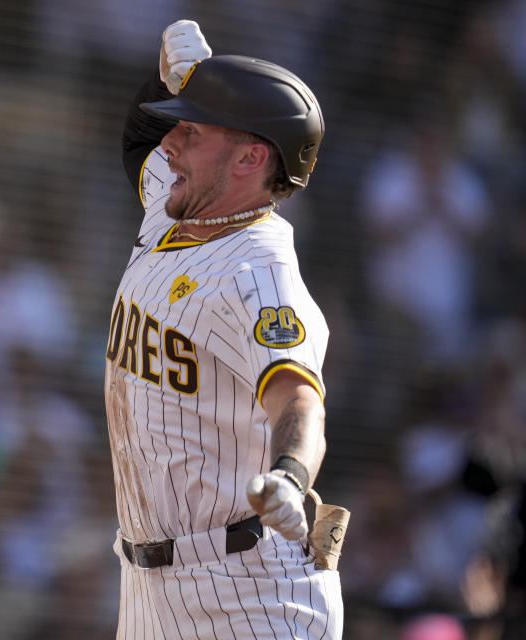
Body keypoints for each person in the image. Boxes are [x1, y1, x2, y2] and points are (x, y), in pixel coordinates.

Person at [104, 20, 343, 639]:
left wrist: (291, 476)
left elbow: (298, 396)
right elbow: (139, 141)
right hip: (148, 587)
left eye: (192, 129)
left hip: (247, 592)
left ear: (249, 157)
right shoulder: (180, 204)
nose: (172, 144)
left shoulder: (259, 274)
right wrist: (171, 80)